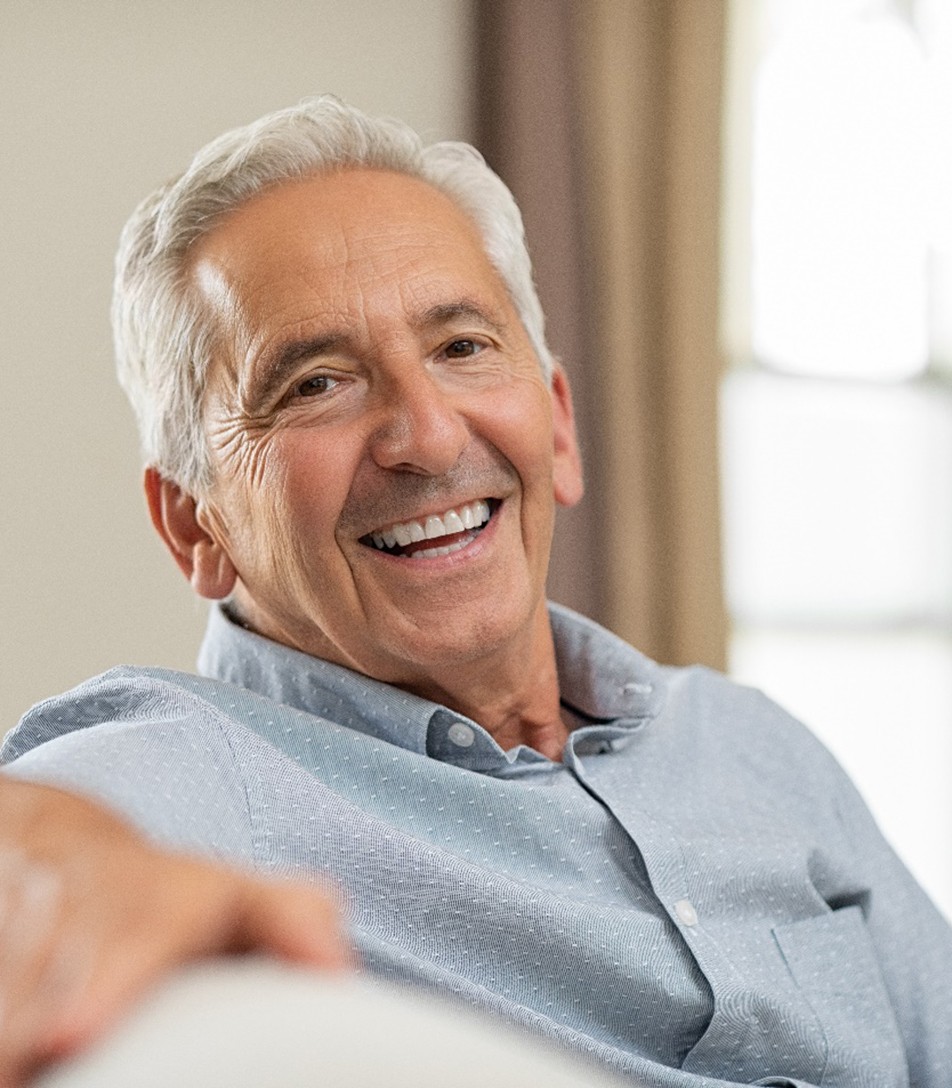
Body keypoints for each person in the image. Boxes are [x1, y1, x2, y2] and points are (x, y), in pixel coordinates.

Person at [2, 96, 950, 1088]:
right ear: (195, 524)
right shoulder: (191, 762)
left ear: (558, 423)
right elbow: (38, 837)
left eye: (460, 346)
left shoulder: (753, 744)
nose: (430, 436)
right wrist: (52, 862)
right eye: (314, 383)